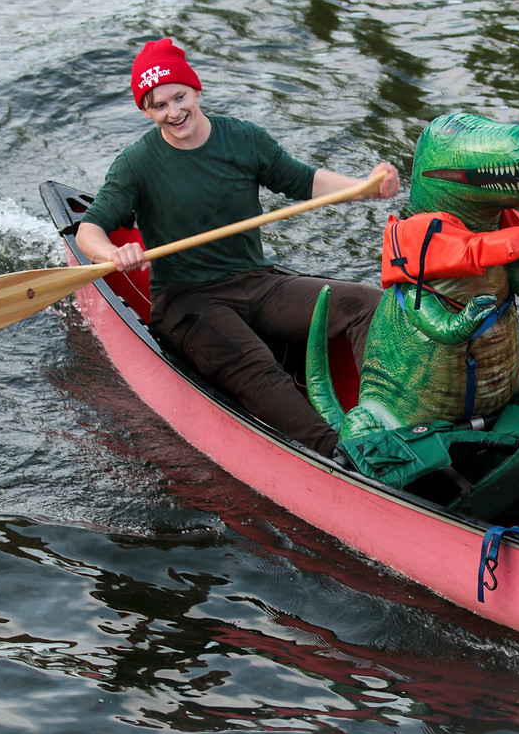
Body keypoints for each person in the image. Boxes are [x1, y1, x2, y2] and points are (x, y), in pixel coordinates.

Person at [75, 38, 400, 455]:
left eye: (179, 96)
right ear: (146, 111)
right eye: (159, 105)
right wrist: (113, 254)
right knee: (260, 369)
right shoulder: (136, 164)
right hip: (187, 302)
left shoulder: (243, 139)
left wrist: (365, 189)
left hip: (256, 283)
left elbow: (304, 181)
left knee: (368, 304)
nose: (174, 112)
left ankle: (389, 420)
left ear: (196, 90)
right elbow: (89, 232)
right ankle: (346, 458)